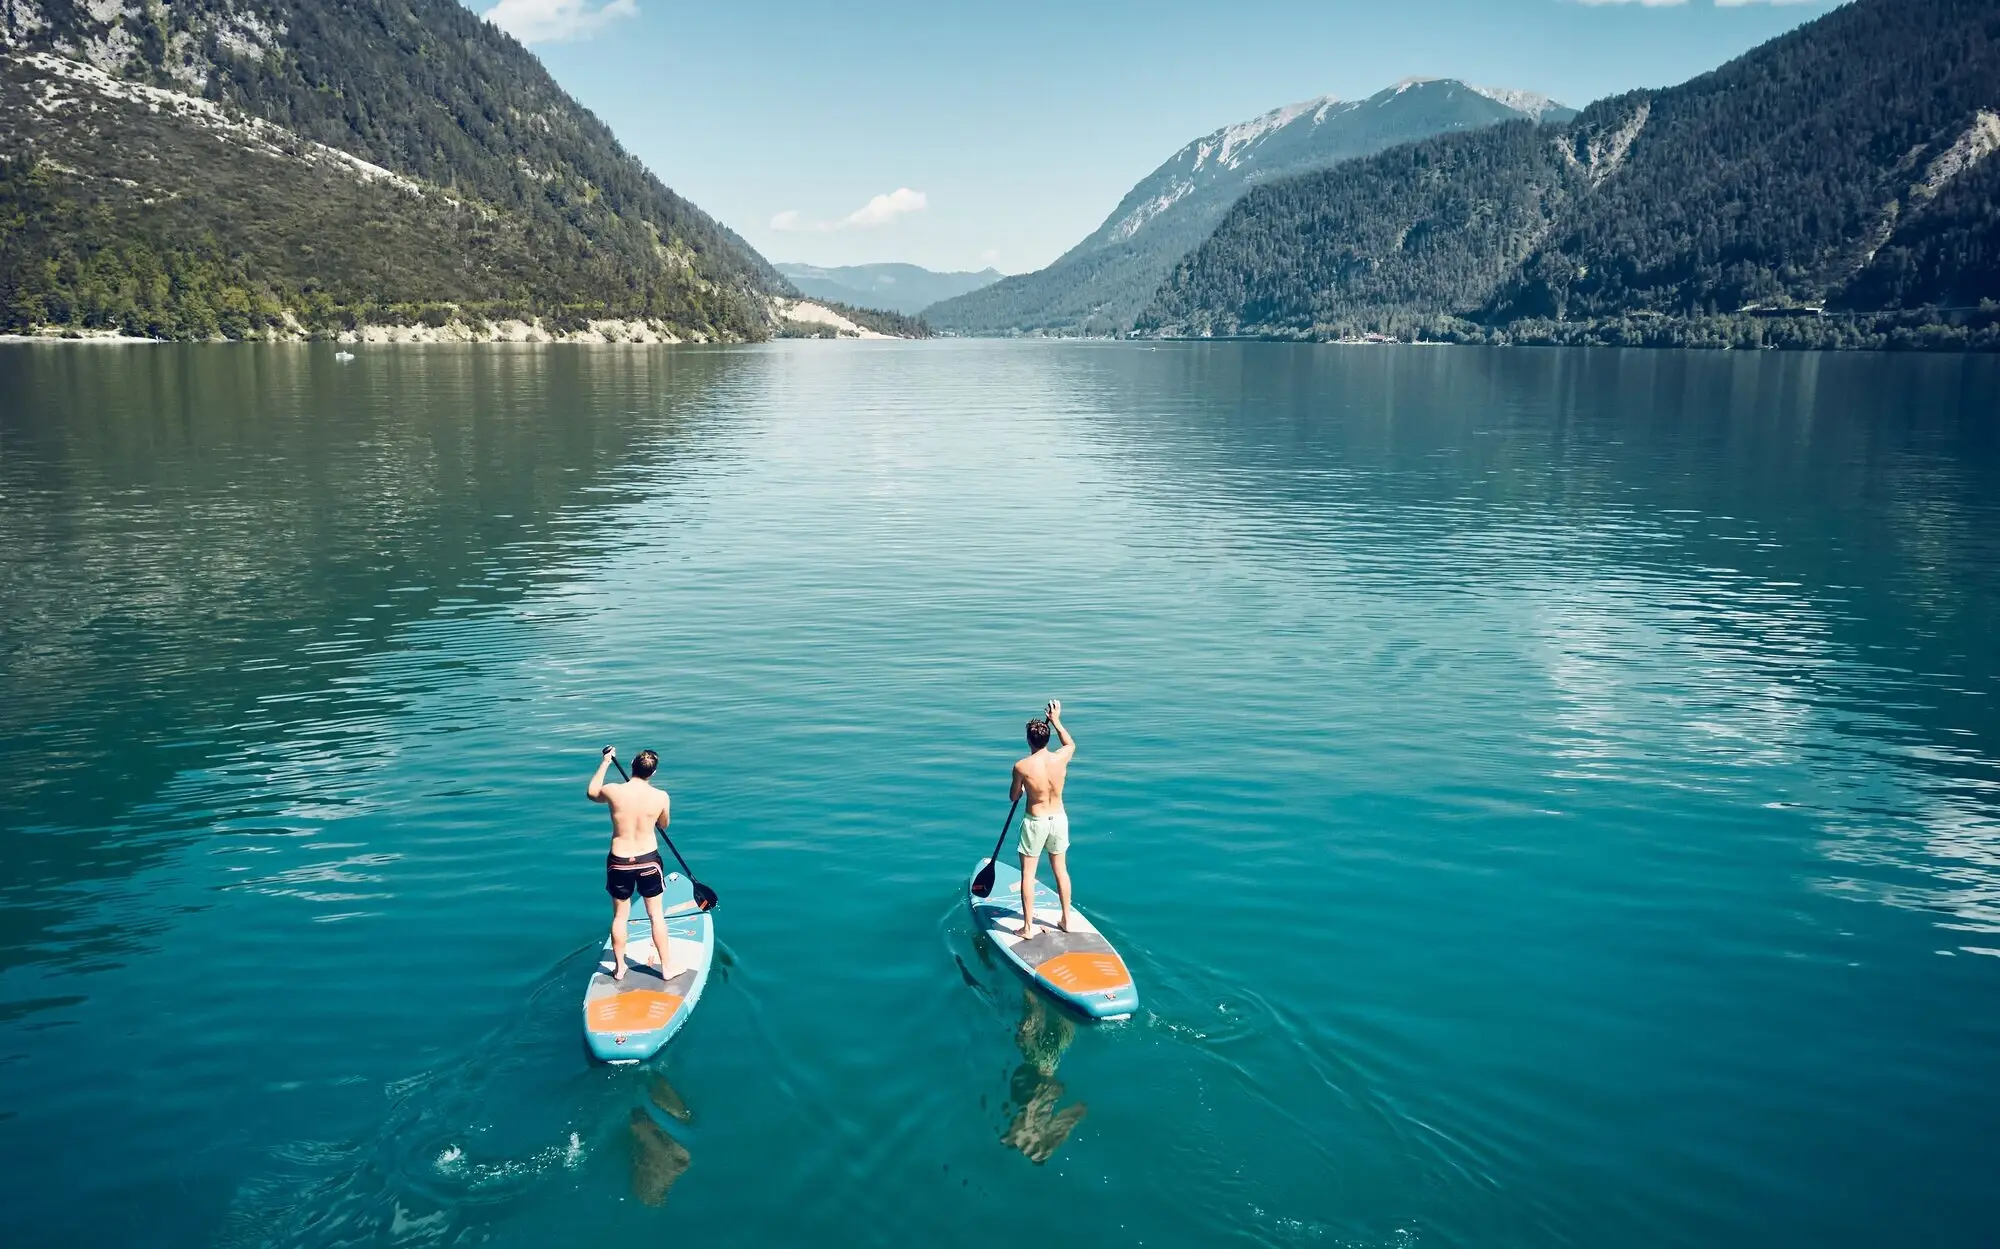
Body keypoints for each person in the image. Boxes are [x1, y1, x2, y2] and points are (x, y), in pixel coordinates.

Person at [587, 745, 672, 980]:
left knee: (620, 917)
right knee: (656, 915)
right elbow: (664, 825)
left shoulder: (614, 790)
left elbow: (592, 793)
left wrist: (606, 762)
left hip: (619, 861)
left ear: (632, 767)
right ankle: (667, 969)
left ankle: (619, 968)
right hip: (648, 861)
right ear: (652, 773)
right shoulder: (661, 796)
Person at [1010, 699, 1076, 940]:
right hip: (1059, 819)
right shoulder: (1061, 757)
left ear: (1029, 740)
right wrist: (1057, 720)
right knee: (1061, 870)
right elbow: (1070, 743)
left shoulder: (1022, 766)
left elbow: (1014, 796)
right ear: (1047, 740)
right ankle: (1066, 920)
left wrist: (1025, 787)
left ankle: (1028, 928)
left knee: (1028, 875)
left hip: (1035, 822)